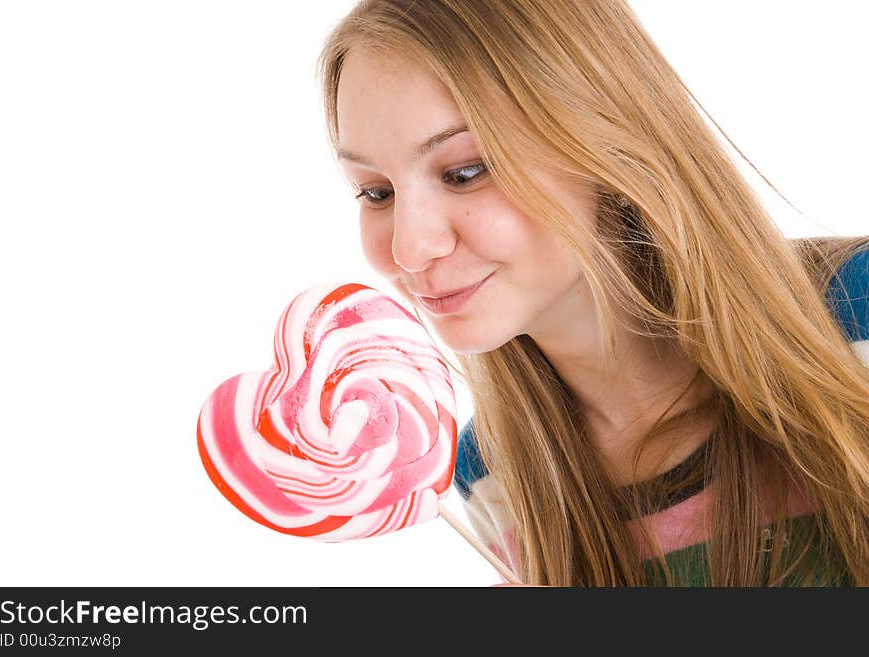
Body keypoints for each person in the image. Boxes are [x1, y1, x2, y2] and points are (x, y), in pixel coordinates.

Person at [315, 0, 869, 586]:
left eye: (466, 171)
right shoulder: (491, 472)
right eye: (376, 192)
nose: (409, 248)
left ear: (603, 145)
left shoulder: (857, 316)